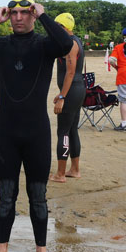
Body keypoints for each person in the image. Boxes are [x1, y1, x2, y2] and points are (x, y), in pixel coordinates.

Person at [0, 0, 73, 252]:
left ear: (32, 16)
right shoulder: (1, 45)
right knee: (6, 196)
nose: (18, 18)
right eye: (13, 14)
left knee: (38, 196)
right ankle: (1, 251)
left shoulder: (45, 45)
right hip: (7, 133)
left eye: (24, 13)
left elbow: (65, 43)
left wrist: (44, 15)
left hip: (36, 132)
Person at [49, 12, 85, 183]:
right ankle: (75, 170)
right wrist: (62, 92)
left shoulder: (70, 44)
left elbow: (70, 72)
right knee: (72, 130)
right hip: (77, 90)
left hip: (72, 91)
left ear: (63, 27)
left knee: (62, 131)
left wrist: (63, 96)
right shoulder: (76, 40)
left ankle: (60, 174)